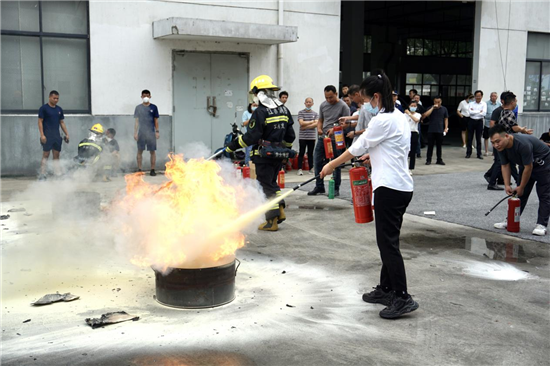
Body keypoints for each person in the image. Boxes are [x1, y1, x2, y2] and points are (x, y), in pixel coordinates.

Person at [320, 71, 418, 319]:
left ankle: (402, 297)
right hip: (399, 186)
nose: (364, 105)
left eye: (364, 101)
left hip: (390, 188)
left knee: (388, 245)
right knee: (388, 241)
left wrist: (331, 165)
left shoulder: (382, 120)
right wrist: (371, 156)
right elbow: (389, 147)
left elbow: (357, 147)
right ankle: (386, 289)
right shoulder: (397, 116)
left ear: (375, 96)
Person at [225, 74, 295, 231]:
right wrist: (285, 151)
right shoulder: (284, 110)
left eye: (255, 94)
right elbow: (291, 136)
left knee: (265, 185)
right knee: (272, 183)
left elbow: (251, 136)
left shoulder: (260, 112)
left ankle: (272, 221)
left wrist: (232, 146)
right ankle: (280, 210)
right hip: (279, 154)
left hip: (264, 155)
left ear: (260, 93)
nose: (254, 97)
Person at [489, 124, 550, 236]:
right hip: (526, 164)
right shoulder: (501, 147)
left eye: (498, 141)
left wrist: (521, 186)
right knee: (519, 195)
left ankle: (541, 224)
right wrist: (507, 185)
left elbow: (529, 167)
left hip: (544, 164)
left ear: (506, 136)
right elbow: (505, 165)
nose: (496, 145)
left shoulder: (522, 144)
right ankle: (510, 220)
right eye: (493, 142)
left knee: (544, 194)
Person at [308, 85, 350, 196]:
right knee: (317, 161)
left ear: (336, 94)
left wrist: (335, 129)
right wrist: (319, 128)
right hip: (323, 138)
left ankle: (336, 188)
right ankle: (319, 186)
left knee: (336, 163)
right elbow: (320, 120)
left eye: (331, 97)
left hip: (336, 139)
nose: (328, 100)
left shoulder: (343, 106)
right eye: (326, 97)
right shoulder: (323, 105)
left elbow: (346, 124)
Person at [485, 91, 532, 189]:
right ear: (511, 102)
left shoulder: (502, 111)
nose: (516, 103)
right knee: (500, 162)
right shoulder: (509, 113)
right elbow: (514, 128)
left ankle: (516, 181)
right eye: (515, 101)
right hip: (505, 141)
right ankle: (492, 182)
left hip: (504, 141)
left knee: (509, 163)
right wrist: (523, 130)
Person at [38, 90, 69, 180]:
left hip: (57, 136)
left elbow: (62, 122)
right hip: (47, 136)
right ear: (50, 97)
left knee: (56, 155)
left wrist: (67, 134)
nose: (56, 100)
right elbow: (40, 121)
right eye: (54, 98)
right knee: (46, 155)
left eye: (57, 98)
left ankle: (57, 173)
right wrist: (42, 135)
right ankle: (43, 174)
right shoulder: (43, 108)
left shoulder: (59, 109)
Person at [134, 89, 159, 176]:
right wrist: (135, 133)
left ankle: (152, 169)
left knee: (152, 151)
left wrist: (157, 131)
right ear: (141, 97)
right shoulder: (138, 108)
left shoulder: (154, 107)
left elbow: (156, 120)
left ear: (150, 96)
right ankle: (139, 169)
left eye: (147, 95)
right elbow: (136, 121)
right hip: (141, 132)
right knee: (140, 150)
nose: (146, 97)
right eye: (144, 96)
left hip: (151, 132)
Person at [423, 96, 448, 165]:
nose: (437, 103)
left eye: (438, 102)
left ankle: (439, 159)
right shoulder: (430, 108)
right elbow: (425, 115)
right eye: (435, 102)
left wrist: (446, 128)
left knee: (439, 146)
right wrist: (433, 108)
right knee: (430, 146)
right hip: (431, 130)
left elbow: (446, 118)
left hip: (440, 130)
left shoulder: (444, 109)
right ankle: (428, 160)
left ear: (441, 102)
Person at [297, 97, 318, 175]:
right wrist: (312, 122)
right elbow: (301, 123)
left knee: (310, 153)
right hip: (303, 137)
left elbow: (316, 124)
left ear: (312, 103)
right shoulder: (301, 112)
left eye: (310, 102)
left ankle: (311, 168)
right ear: (304, 103)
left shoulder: (315, 113)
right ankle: (299, 169)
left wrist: (305, 126)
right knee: (301, 152)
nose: (308, 103)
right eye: (307, 102)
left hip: (311, 137)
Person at [466, 90, 487, 159]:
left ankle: (479, 154)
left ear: (482, 96)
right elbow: (470, 112)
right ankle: (468, 153)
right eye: (477, 96)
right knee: (469, 138)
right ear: (475, 96)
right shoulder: (471, 103)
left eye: (479, 96)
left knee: (478, 138)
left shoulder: (484, 104)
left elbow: (483, 113)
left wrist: (474, 111)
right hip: (471, 121)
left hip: (479, 122)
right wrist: (479, 111)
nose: (478, 97)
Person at [405, 101, 421, 174]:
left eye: (414, 106)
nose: (413, 107)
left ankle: (410, 168)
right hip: (406, 133)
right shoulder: (403, 115)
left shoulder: (418, 115)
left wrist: (409, 113)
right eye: (412, 105)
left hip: (414, 133)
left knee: (413, 151)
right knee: (405, 151)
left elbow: (416, 120)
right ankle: (404, 167)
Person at [241, 102, 258, 166]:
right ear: (250, 106)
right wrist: (252, 117)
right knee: (249, 152)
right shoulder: (246, 113)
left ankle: (255, 167)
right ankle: (248, 166)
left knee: (256, 152)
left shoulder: (260, 113)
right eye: (254, 105)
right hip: (249, 136)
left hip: (258, 136)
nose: (255, 107)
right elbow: (244, 123)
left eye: (256, 106)